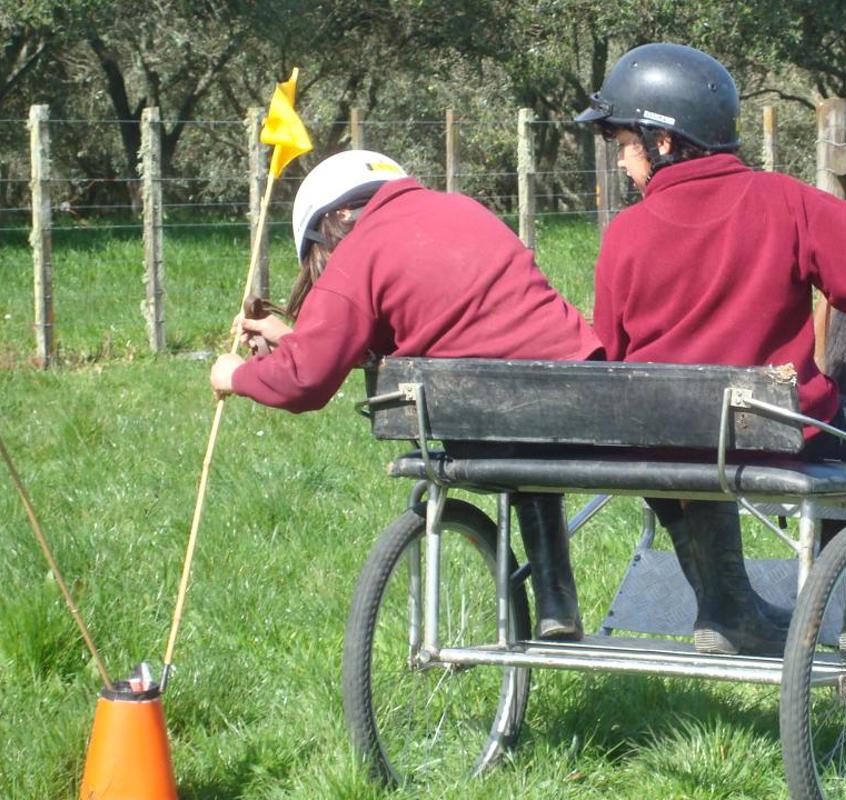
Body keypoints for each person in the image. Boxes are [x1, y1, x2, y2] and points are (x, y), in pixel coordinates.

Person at [577, 43, 846, 656]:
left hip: (672, 448)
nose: (619, 159)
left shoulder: (624, 234)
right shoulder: (787, 202)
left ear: (662, 142)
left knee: (681, 438)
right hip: (782, 434)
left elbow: (615, 347)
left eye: (622, 142)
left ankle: (726, 607)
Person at [210, 149, 603, 641]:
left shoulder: (359, 251)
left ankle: (556, 605)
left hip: (487, 422)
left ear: (333, 218)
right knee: (523, 431)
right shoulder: (462, 209)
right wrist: (289, 341)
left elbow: (306, 380)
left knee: (504, 428)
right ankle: (555, 602)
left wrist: (235, 375)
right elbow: (447, 321)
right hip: (581, 405)